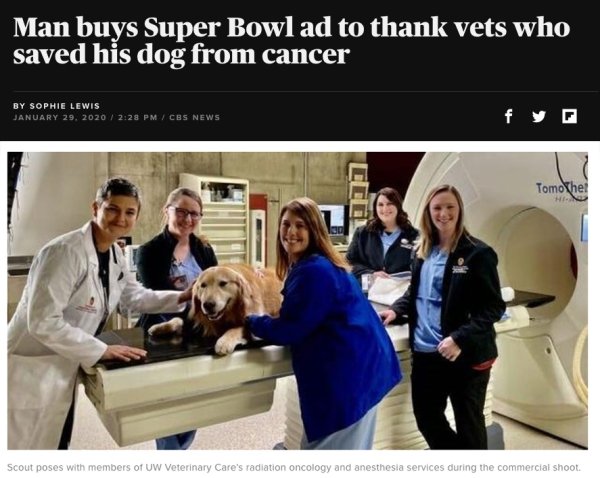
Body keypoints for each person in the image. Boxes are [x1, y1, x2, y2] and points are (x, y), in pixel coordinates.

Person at [7, 178, 191, 450]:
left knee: (54, 438)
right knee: (24, 445)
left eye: (130, 212)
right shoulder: (65, 252)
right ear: (96, 208)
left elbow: (133, 298)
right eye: (113, 209)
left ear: (137, 216)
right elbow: (42, 321)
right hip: (31, 367)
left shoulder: (114, 255)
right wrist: (101, 349)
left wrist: (184, 297)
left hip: (62, 364)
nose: (121, 218)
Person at [247, 197, 401, 449]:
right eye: (286, 224)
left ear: (314, 229)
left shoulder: (314, 271)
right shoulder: (323, 263)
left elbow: (290, 329)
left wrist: (252, 322)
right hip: (364, 370)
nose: (291, 232)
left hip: (347, 380)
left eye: (300, 225)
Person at [379, 184, 505, 450]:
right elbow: (417, 290)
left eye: (450, 207)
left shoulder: (477, 253)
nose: (443, 213)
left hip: (464, 355)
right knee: (427, 418)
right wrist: (396, 309)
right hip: (426, 353)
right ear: (428, 212)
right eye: (437, 207)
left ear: (459, 210)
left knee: (469, 426)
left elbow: (493, 307)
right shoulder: (422, 251)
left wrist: (459, 338)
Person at [135, 187, 218, 450]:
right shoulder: (150, 252)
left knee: (192, 406)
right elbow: (156, 296)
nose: (188, 219)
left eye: (194, 214)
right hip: (162, 335)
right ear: (166, 211)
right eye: (181, 211)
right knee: (166, 407)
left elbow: (217, 284)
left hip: (198, 336)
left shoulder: (204, 249)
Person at [346, 187, 418, 282]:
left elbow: (418, 268)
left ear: (398, 206)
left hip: (399, 292)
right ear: (375, 208)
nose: (385, 208)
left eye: (389, 204)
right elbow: (349, 263)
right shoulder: (363, 233)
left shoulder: (413, 235)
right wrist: (372, 274)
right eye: (380, 205)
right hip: (369, 289)